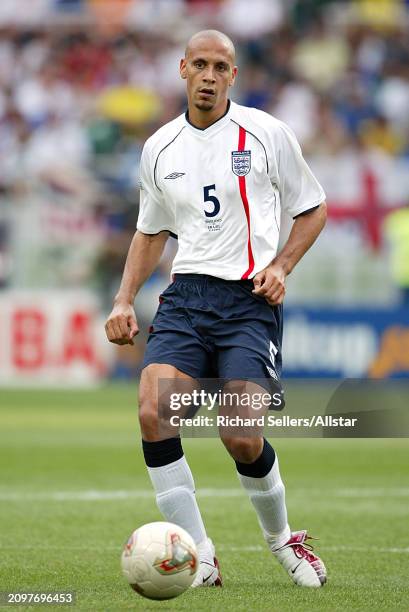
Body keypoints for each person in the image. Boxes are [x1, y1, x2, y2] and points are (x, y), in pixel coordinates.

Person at [105, 30, 327, 588]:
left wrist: (281, 267)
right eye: (199, 64)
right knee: (155, 410)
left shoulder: (267, 134)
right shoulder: (159, 147)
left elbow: (313, 208)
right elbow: (150, 231)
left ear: (233, 75)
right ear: (182, 69)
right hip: (185, 299)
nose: (208, 74)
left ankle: (283, 540)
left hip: (248, 301)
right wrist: (123, 298)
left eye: (220, 66)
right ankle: (199, 553)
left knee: (241, 434)